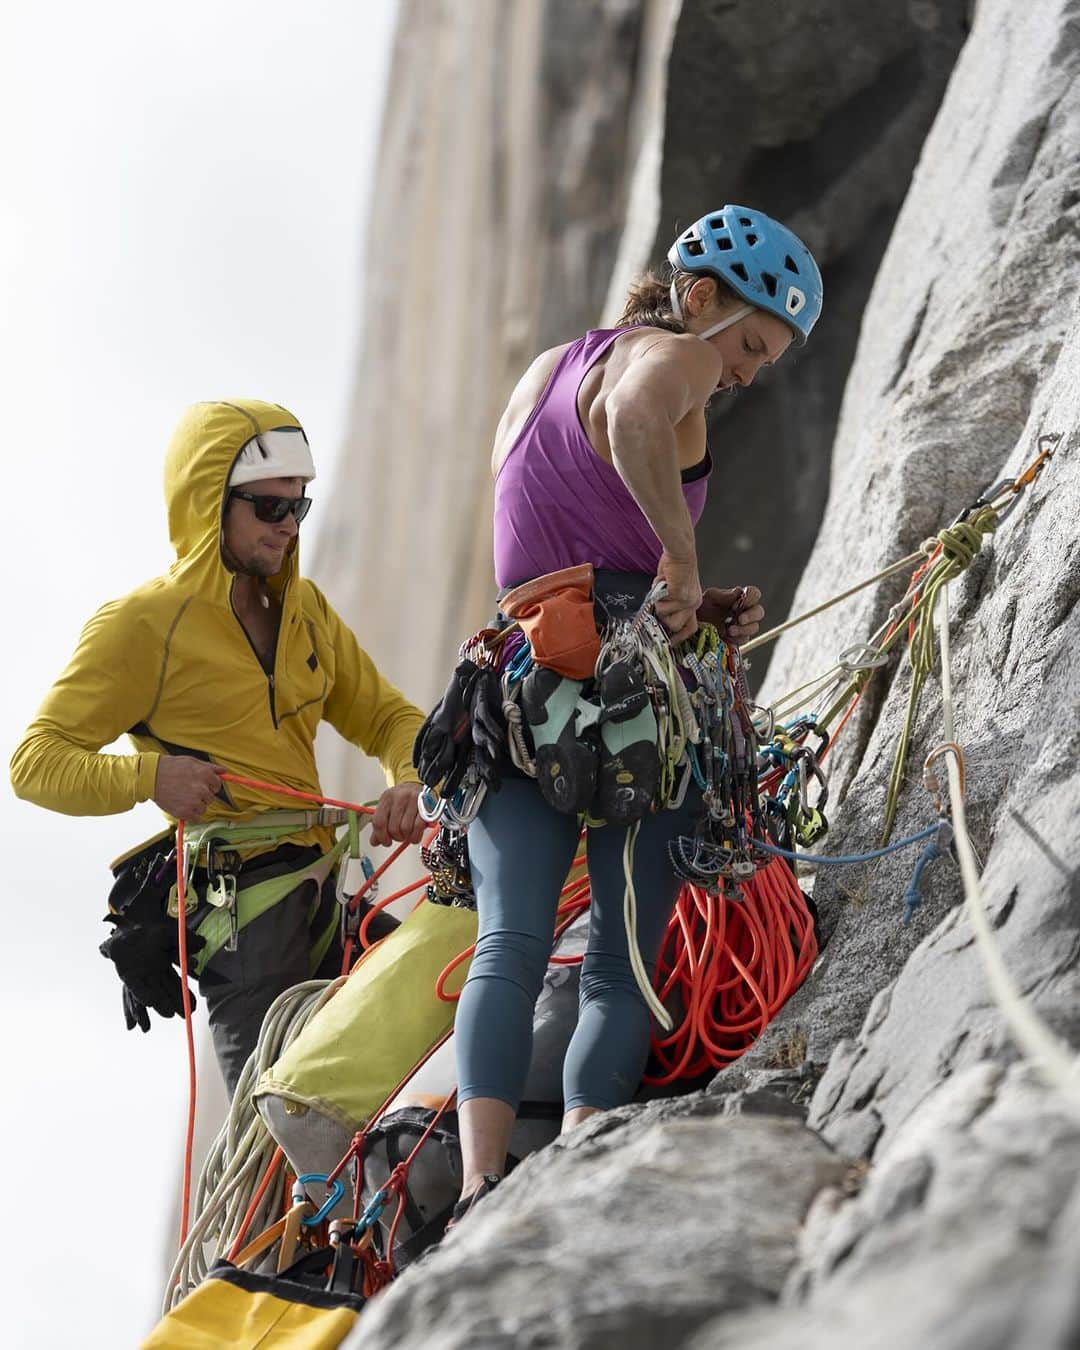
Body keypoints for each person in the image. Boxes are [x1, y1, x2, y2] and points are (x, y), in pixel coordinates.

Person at [445, 205, 823, 1220]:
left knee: (507, 943)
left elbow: (559, 525)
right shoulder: (672, 357)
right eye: (748, 342)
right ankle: (572, 1177)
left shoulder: (546, 371)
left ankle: (480, 1183)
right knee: (620, 963)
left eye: (764, 361)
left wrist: (685, 594)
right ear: (698, 296)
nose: (743, 373)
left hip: (516, 674)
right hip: (622, 701)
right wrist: (684, 560)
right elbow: (637, 419)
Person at [10, 399, 426, 1094]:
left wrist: (408, 776)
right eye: (269, 509)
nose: (289, 528)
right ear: (212, 502)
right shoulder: (141, 626)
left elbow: (386, 716)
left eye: (299, 509)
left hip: (323, 895)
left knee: (426, 1034)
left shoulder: (306, 611)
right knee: (272, 1130)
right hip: (244, 924)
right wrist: (151, 778)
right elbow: (35, 762)